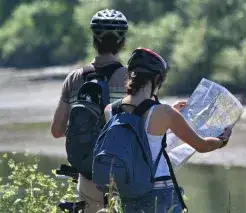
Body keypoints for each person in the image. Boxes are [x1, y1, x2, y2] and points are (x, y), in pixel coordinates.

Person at [102, 47, 232, 213]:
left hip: (127, 194)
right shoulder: (164, 113)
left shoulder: (110, 110)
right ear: (157, 78)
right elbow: (202, 145)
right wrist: (222, 140)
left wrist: (169, 111)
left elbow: (139, 130)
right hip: (160, 194)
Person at [50, 9, 129, 213]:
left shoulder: (74, 78)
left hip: (88, 173)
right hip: (125, 172)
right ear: (123, 42)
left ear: (94, 40)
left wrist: (85, 129)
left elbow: (57, 130)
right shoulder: (132, 79)